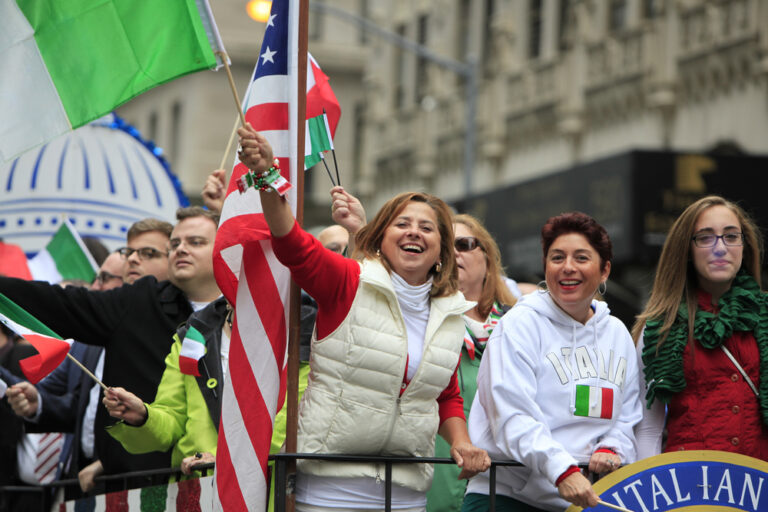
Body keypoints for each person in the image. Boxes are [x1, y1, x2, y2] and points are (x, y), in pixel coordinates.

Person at [237, 124, 490, 511]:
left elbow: (445, 394)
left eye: (427, 228)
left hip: (407, 493)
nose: (414, 233)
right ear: (381, 238)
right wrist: (267, 175)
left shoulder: (451, 312)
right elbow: (291, 242)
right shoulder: (347, 280)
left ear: (441, 252)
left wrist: (461, 442)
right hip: (328, 490)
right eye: (402, 224)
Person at [0, 208, 221, 480]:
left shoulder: (249, 312)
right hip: (136, 483)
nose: (181, 250)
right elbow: (61, 304)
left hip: (228, 480)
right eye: (175, 244)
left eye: (195, 242)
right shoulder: (139, 301)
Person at [464, 212, 642, 512]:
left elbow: (628, 415)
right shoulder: (518, 325)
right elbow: (512, 415)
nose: (568, 268)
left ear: (605, 270)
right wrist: (563, 470)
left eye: (582, 258)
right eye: (557, 257)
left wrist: (613, 448)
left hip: (584, 501)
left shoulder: (617, 334)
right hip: (509, 498)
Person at [633, 196, 768, 459]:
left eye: (731, 236)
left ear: (745, 246)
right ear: (687, 250)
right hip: (689, 490)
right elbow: (648, 429)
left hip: (757, 491)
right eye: (705, 238)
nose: (720, 248)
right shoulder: (661, 325)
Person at [426, 214, 517, 512]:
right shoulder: (422, 321)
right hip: (437, 475)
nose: (455, 254)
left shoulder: (519, 326)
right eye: (445, 247)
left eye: (464, 244)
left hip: (505, 481)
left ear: (488, 259)